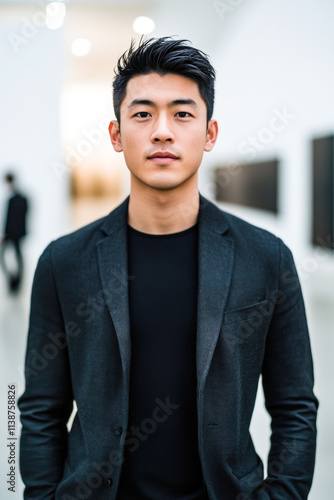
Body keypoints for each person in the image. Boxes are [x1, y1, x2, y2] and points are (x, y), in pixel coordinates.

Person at [17, 37, 318, 500]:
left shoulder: (266, 258)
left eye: (182, 113)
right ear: (116, 135)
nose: (162, 131)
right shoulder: (64, 261)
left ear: (210, 133)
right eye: (142, 114)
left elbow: (295, 405)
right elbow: (40, 407)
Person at [0, 172, 28, 293]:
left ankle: (17, 281)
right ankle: (14, 280)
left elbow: (20, 218)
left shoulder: (19, 199)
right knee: (13, 257)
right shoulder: (16, 199)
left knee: (18, 257)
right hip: (12, 234)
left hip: (15, 234)